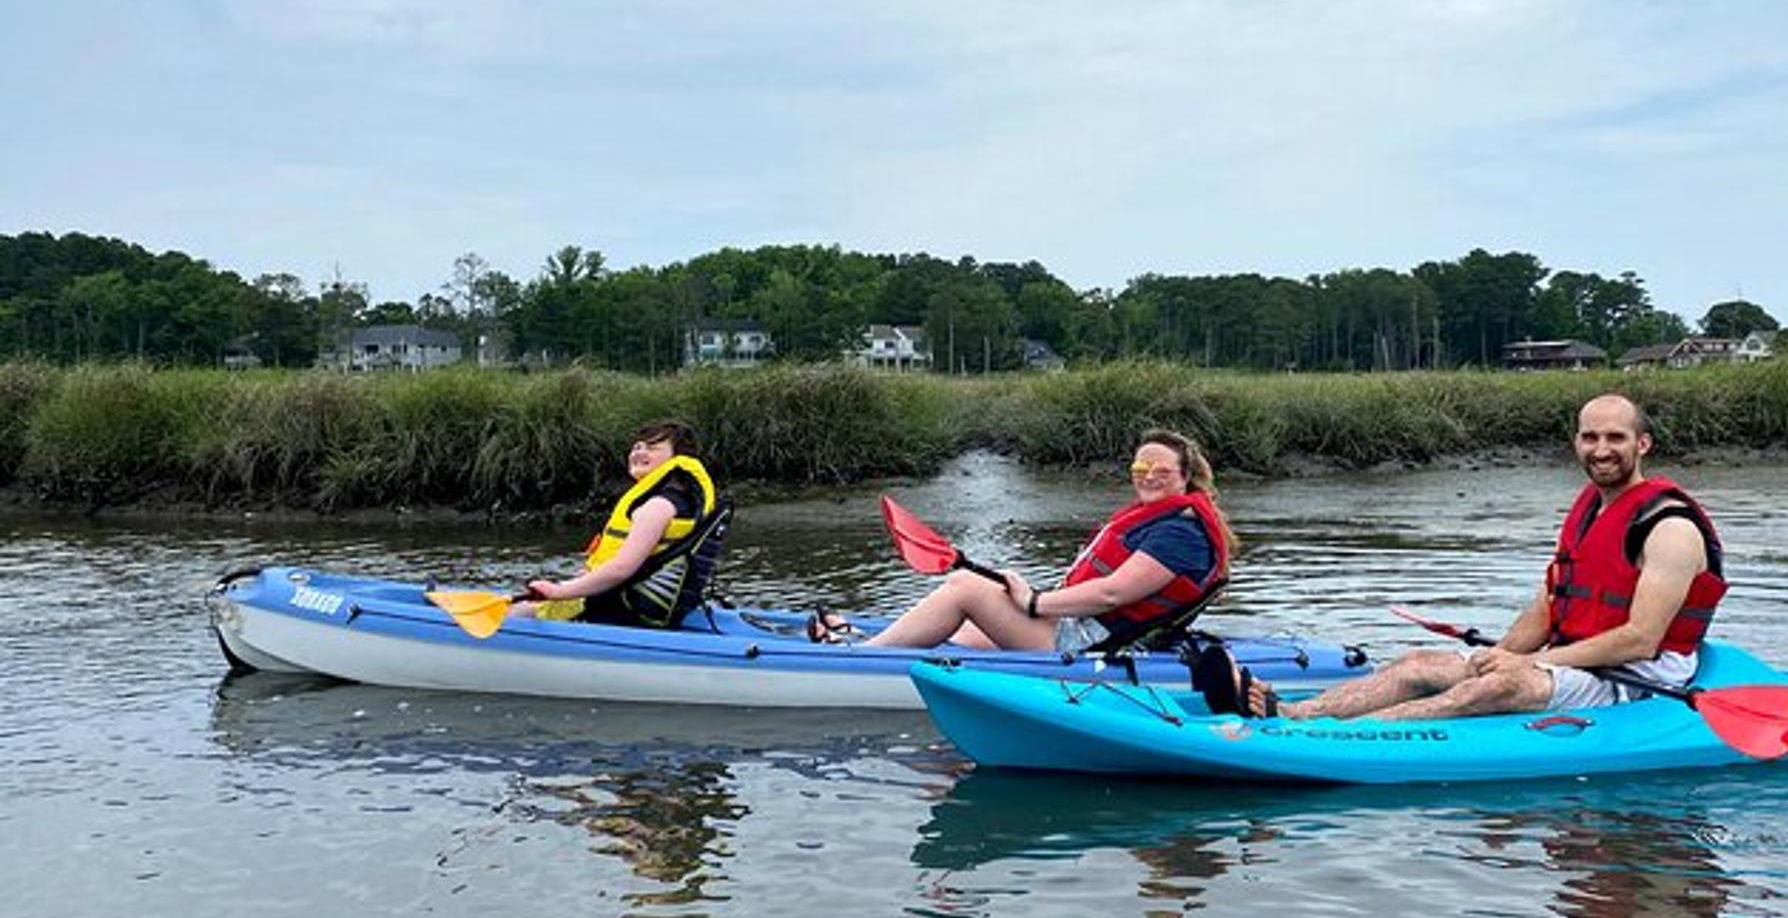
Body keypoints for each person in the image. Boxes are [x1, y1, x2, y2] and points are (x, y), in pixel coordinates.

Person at [1206, 393, 1725, 720]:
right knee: (1417, 664)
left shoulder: (1669, 527)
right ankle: (1295, 712)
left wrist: (1522, 663)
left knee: (1499, 684)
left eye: (1616, 437)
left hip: (1641, 677)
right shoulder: (1591, 510)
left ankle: (1340, 739)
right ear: (1576, 441)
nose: (1601, 448)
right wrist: (1497, 650)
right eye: (1590, 436)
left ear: (1643, 444)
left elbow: (1641, 637)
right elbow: (1551, 605)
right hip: (1576, 660)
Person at [812, 429, 1235, 652]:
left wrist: (1033, 603)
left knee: (964, 587)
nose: (1148, 475)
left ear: (1185, 477)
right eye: (1141, 467)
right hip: (1074, 627)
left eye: (1161, 470)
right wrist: (1027, 597)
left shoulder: (1180, 535)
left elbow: (1110, 593)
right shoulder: (1164, 522)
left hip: (1088, 645)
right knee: (968, 629)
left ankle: (852, 660)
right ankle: (859, 639)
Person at [517, 420, 728, 629]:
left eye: (652, 447)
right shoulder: (677, 499)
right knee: (530, 605)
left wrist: (559, 591)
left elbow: (621, 569)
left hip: (627, 608)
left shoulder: (657, 507)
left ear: (679, 458)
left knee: (519, 613)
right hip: (635, 601)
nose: (639, 452)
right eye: (637, 446)